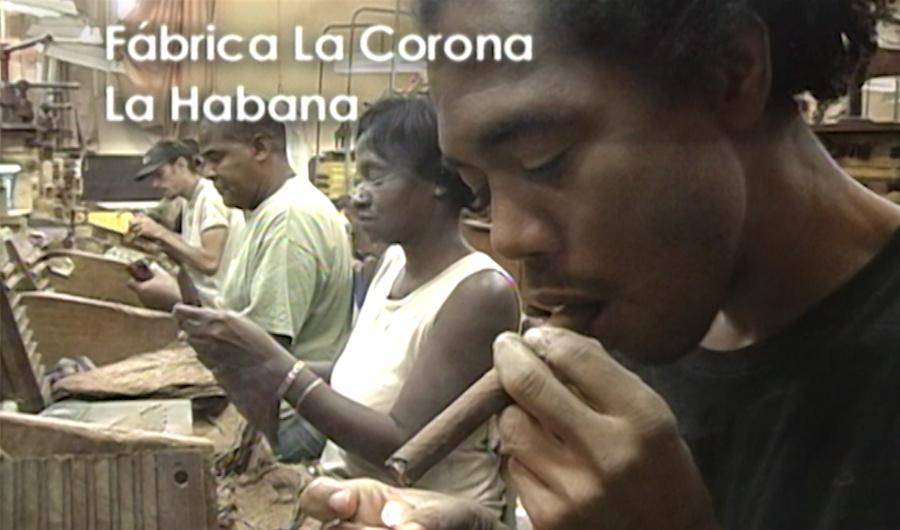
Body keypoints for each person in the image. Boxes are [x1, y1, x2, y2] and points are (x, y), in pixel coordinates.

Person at [295, 1, 900, 530]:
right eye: (477, 188)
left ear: (731, 73)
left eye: (543, 161)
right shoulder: (643, 312)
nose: (507, 235)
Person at [175, 97, 521, 514]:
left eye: (375, 176)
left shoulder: (478, 293)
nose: (357, 196)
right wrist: (243, 358)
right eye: (359, 177)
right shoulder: (393, 263)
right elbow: (362, 373)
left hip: (423, 515)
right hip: (352, 497)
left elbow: (402, 446)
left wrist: (279, 367)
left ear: (440, 182)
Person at [197, 109, 355, 460]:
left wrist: (253, 448)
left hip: (291, 421)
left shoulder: (288, 219)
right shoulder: (264, 211)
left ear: (260, 148)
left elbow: (265, 355)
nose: (208, 174)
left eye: (216, 158)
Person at [127, 140, 243, 308]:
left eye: (160, 175)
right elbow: (192, 250)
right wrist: (162, 244)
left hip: (221, 308)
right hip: (204, 302)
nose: (155, 184)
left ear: (181, 165)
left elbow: (209, 262)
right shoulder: (187, 200)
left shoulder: (210, 196)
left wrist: (160, 233)